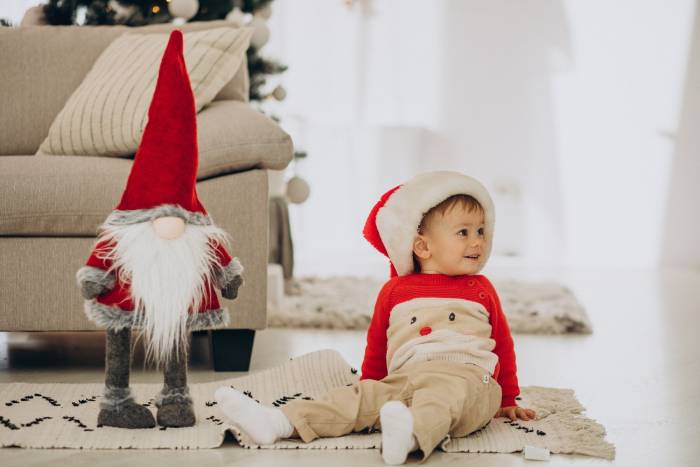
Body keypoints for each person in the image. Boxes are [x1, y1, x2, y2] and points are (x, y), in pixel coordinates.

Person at [216, 171, 535, 464]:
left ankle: (409, 436)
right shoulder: (396, 291)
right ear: (423, 247)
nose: (477, 241)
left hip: (468, 378)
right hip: (406, 376)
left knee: (443, 400)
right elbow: (378, 342)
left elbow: (502, 344)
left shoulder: (480, 289)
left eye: (481, 231)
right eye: (463, 233)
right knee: (357, 400)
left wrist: (507, 397)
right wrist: (370, 385)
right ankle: (279, 422)